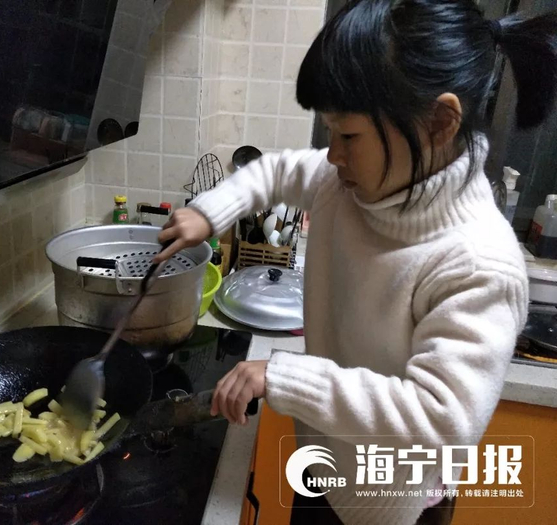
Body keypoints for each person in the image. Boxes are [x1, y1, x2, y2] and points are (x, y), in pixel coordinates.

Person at [157, 1, 557, 524]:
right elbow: (275, 172)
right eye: (329, 131)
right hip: (323, 462)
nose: (332, 155)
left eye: (348, 135)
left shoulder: (478, 262)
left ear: (439, 123)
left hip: (387, 504)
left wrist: (284, 378)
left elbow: (439, 420)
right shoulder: (347, 183)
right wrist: (208, 212)